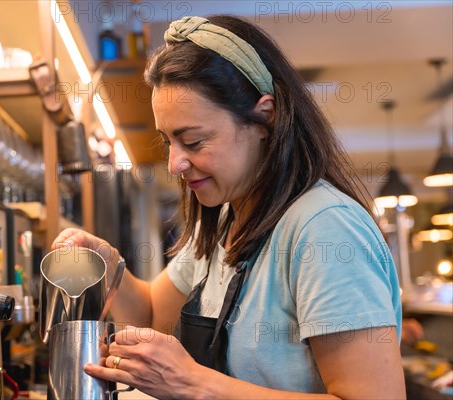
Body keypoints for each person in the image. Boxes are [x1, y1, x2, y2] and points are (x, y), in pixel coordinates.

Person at [51, 15, 405, 399]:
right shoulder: (225, 219)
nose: (174, 165)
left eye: (194, 141)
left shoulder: (325, 228)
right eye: (168, 142)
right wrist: (108, 266)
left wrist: (193, 383)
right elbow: (154, 316)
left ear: (264, 118)